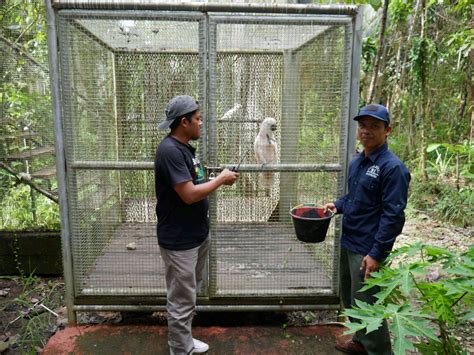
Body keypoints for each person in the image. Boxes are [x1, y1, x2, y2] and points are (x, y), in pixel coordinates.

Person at [155, 95, 239, 355]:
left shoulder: (185, 150)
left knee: (189, 293)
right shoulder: (169, 151)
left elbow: (195, 182)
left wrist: (218, 177)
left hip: (196, 235)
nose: (201, 123)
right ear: (184, 122)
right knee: (181, 298)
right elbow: (189, 194)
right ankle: (180, 349)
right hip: (179, 240)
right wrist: (221, 180)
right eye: (198, 119)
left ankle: (185, 341)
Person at [323, 104, 410, 355]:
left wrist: (377, 254)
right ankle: (361, 342)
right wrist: (338, 205)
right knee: (352, 300)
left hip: (368, 248)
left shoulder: (392, 168)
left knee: (369, 304)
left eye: (374, 126)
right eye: (363, 125)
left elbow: (393, 216)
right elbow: (356, 197)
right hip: (350, 241)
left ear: (388, 130)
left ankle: (379, 351)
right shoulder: (358, 161)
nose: (366, 131)